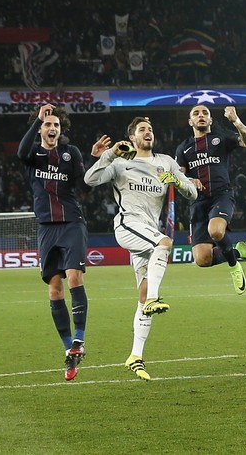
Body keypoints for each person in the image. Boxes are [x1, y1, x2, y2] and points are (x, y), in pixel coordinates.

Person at [85, 116, 197, 380]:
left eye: (150, 129)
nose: (148, 132)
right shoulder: (122, 163)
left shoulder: (166, 161)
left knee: (143, 295)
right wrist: (109, 155)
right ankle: (155, 299)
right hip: (128, 224)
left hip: (148, 230)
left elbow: (192, 192)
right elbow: (90, 179)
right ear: (132, 137)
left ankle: (135, 356)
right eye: (142, 130)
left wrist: (179, 181)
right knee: (165, 242)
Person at [17, 103, 104, 381]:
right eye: (47, 124)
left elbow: (85, 186)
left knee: (74, 277)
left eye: (55, 124)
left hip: (71, 223)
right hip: (46, 227)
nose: (52, 128)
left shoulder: (71, 153)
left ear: (60, 129)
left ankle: (79, 339)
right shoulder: (33, 155)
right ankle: (70, 352)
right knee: (55, 291)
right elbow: (21, 152)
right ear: (40, 128)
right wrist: (37, 118)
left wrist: (96, 161)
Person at [175, 102, 246, 295]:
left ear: (210, 119)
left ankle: (234, 266)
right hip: (198, 203)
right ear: (190, 121)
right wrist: (189, 179)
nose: (201, 115)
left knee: (215, 231)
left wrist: (236, 121)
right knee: (202, 260)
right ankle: (240, 251)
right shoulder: (183, 148)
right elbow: (178, 176)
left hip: (221, 196)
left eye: (205, 113)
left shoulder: (221, 138)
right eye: (196, 113)